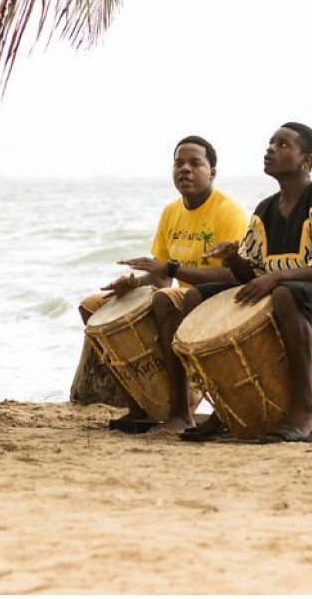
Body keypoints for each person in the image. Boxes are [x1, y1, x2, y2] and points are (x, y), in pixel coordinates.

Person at [176, 123, 312, 442]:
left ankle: (306, 407)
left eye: (282, 144)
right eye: (270, 143)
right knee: (198, 296)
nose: (270, 149)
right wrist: (233, 259)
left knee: (285, 292)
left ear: (306, 160)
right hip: (284, 301)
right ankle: (227, 405)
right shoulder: (264, 210)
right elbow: (252, 278)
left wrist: (278, 275)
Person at [81, 136, 249, 433]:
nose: (185, 169)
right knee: (93, 307)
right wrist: (133, 283)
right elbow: (161, 277)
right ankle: (140, 404)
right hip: (177, 296)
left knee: (165, 299)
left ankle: (181, 412)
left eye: (195, 163)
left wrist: (171, 268)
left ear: (212, 172)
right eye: (178, 163)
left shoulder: (228, 211)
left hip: (219, 300)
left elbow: (233, 276)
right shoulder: (171, 212)